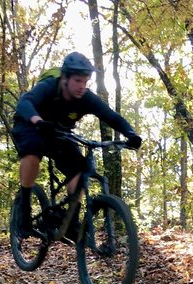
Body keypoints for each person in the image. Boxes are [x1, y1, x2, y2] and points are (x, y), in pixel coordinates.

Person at [11, 52, 142, 237]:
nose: (82, 86)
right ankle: (24, 211)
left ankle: (70, 220)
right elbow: (25, 102)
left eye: (85, 81)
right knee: (33, 151)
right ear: (65, 78)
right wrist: (37, 120)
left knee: (81, 168)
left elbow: (111, 116)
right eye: (77, 81)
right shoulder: (49, 87)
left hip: (59, 134)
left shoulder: (86, 98)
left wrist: (130, 133)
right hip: (30, 125)